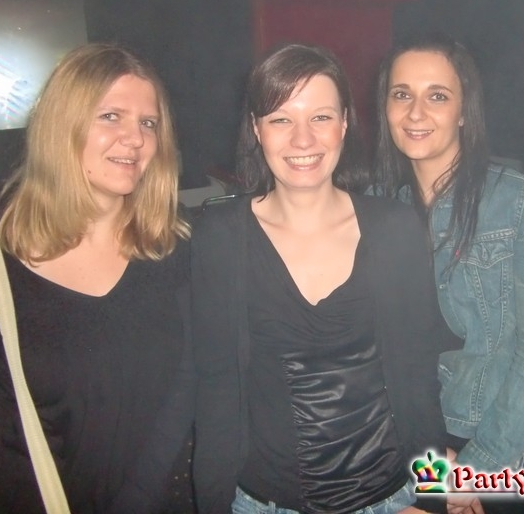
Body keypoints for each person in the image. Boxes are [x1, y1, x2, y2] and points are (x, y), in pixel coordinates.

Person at [0, 44, 194, 513]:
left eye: (148, 123)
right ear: (60, 126)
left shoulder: (174, 249)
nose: (135, 138)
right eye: (111, 116)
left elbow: (191, 392)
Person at [191, 43, 459, 514]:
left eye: (320, 117)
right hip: (265, 504)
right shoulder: (219, 237)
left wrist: (434, 496)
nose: (303, 139)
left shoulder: (395, 229)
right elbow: (216, 392)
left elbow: (419, 381)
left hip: (391, 500)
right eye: (281, 119)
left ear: (345, 123)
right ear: (256, 128)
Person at [372, 33, 524, 510]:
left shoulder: (517, 201)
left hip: (487, 440)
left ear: (464, 110)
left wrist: (478, 468)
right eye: (402, 94)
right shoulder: (374, 207)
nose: (416, 112)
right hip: (400, 444)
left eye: (437, 96)